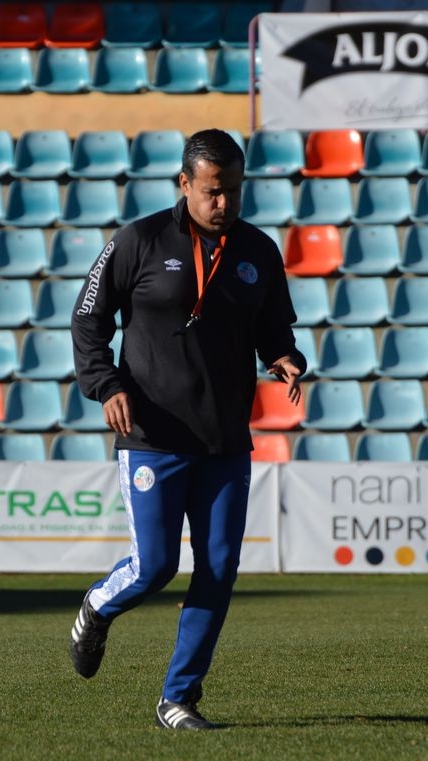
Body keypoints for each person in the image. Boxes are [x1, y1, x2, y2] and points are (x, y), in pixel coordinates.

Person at [67, 128, 305, 730]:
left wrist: (284, 357)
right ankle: (97, 606)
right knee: (154, 567)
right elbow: (88, 319)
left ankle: (178, 698)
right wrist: (108, 386)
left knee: (220, 567)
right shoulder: (138, 240)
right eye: (212, 192)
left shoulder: (259, 251)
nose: (224, 203)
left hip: (225, 437)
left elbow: (274, 328)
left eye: (233, 190)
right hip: (152, 432)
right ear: (185, 184)